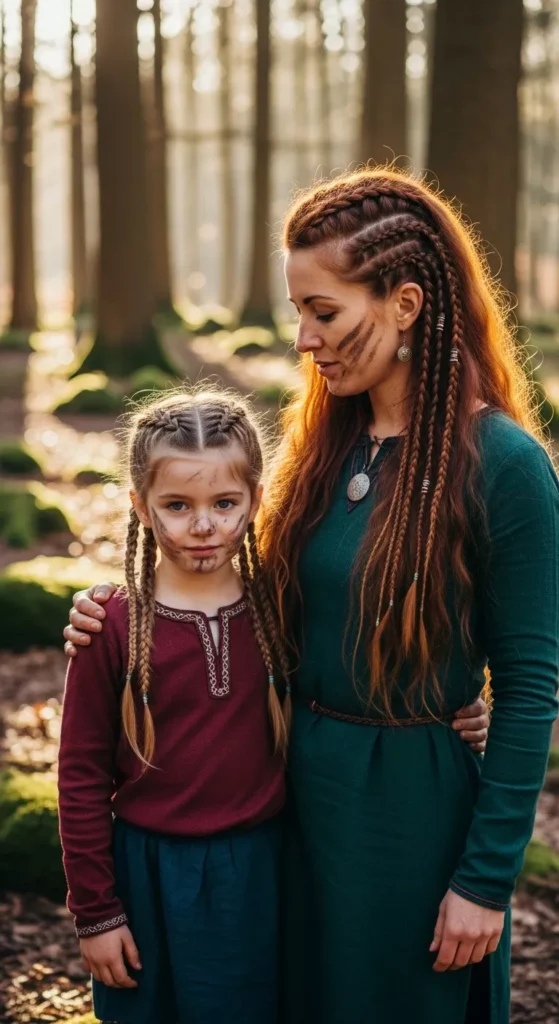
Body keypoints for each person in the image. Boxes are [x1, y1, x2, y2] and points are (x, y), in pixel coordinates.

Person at [61, 166, 544, 1024]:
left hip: (408, 813)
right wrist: (117, 614)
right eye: (298, 313)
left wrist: (483, 878)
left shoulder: (502, 466)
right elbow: (262, 603)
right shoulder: (328, 445)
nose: (304, 339)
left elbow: (531, 687)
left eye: (324, 312)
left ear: (404, 303)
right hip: (289, 798)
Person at [58, 390, 291, 1024]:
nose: (204, 526)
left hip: (261, 873)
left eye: (224, 503)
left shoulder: (282, 607)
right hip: (148, 874)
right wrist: (96, 912)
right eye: (177, 505)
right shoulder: (112, 626)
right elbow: (79, 778)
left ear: (255, 498)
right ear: (140, 504)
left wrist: (467, 710)